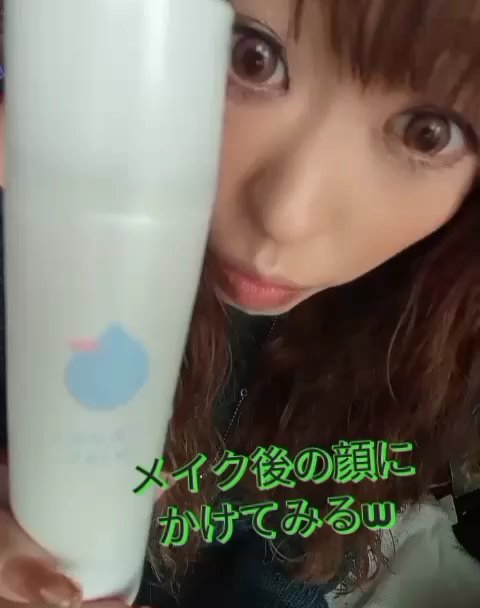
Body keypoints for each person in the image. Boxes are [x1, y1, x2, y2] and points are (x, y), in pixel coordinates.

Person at [0, 0, 480, 606]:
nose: (286, 214)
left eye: (427, 133)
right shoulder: (35, 245)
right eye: (251, 57)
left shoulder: (416, 341)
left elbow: (290, 570)